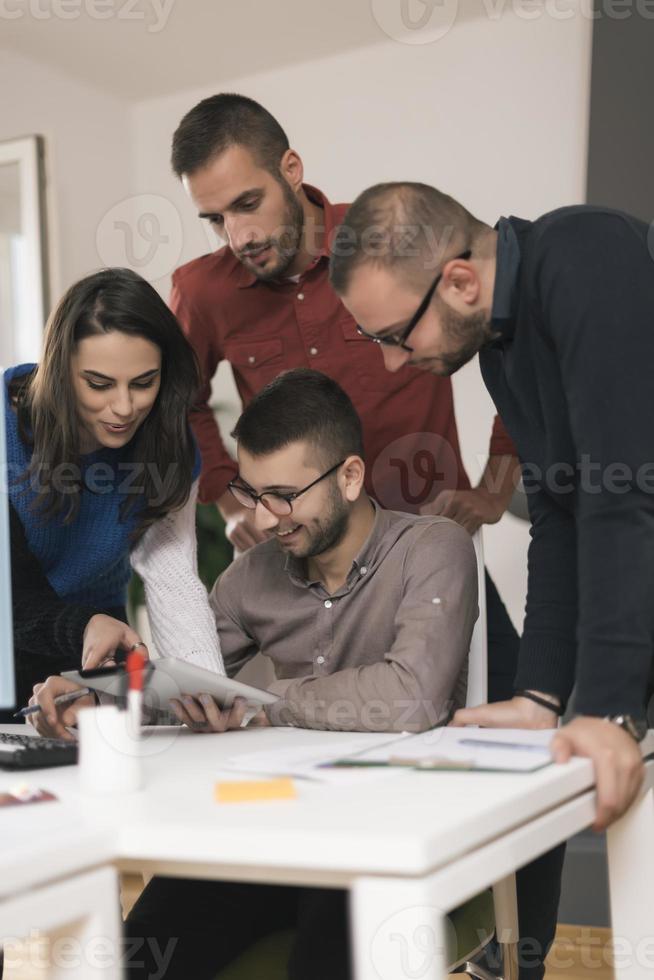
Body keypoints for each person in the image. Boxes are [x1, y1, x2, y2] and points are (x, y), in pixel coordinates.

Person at [329, 183, 651, 975]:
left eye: (396, 336)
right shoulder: (500, 348)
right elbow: (563, 514)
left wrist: (608, 705)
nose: (392, 362)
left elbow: (625, 490)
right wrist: (543, 694)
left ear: (462, 282)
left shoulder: (584, 253)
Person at [120, 367, 476, 980]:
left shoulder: (432, 548)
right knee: (137, 955)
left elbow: (412, 696)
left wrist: (266, 701)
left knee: (327, 963)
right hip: (268, 838)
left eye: (284, 495)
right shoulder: (248, 578)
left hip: (388, 839)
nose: (263, 518)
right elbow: (187, 684)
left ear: (350, 476)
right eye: (253, 494)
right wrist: (105, 694)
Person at [169, 92, 521, 704]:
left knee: (519, 707)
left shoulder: (391, 240)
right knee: (327, 720)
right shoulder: (203, 292)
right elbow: (179, 400)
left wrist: (495, 487)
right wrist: (231, 504)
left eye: (248, 203)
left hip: (429, 546)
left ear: (291, 169)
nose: (239, 235)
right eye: (216, 218)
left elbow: (504, 330)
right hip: (310, 569)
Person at [1, 267, 222, 725]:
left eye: (144, 383)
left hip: (94, 651)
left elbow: (173, 580)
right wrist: (83, 625)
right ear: (61, 370)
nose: (124, 407)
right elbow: (10, 592)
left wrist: (206, 691)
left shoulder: (166, 445)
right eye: (99, 384)